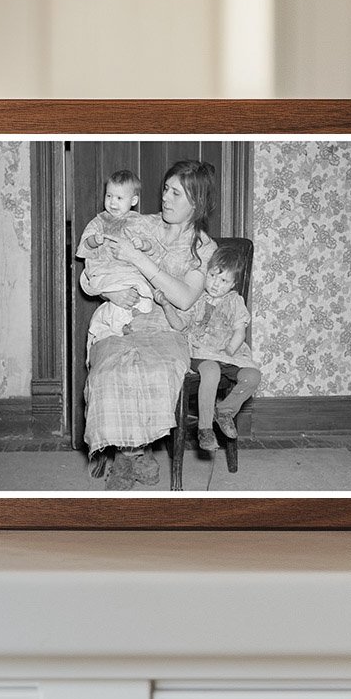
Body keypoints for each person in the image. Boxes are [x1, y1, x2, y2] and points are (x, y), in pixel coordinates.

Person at [82, 160, 218, 491]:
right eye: (165, 190)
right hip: (122, 320)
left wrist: (138, 258)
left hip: (168, 328)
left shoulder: (204, 247)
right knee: (108, 372)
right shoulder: (138, 223)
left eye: (176, 193)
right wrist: (110, 290)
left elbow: (184, 298)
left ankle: (133, 454)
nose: (166, 199)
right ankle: (133, 454)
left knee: (155, 370)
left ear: (196, 203)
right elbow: (90, 273)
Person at [155, 245, 261, 451]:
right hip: (200, 351)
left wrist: (231, 348)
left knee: (252, 375)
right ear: (206, 273)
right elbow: (180, 325)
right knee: (211, 370)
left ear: (233, 284)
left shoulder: (235, 301)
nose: (215, 284)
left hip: (228, 353)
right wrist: (167, 306)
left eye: (223, 281)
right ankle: (205, 429)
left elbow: (240, 329)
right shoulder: (197, 299)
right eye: (212, 276)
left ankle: (224, 411)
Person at [76, 170, 153, 352]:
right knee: (111, 291)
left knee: (144, 295)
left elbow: (151, 244)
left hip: (128, 271)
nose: (112, 202)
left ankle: (128, 322)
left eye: (119, 198)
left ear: (133, 201)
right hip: (106, 269)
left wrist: (142, 243)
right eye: (109, 196)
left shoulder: (138, 221)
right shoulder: (99, 221)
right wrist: (95, 240)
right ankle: (116, 327)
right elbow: (86, 243)